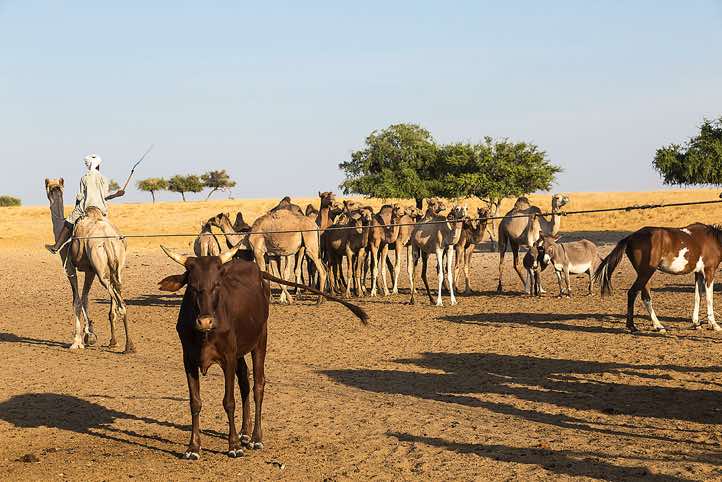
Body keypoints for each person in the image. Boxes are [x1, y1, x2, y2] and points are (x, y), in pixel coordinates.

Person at [46, 154, 126, 254]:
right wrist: (117, 194)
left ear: (89, 165)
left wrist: (76, 207)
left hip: (85, 207)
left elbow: (80, 196)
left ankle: (56, 247)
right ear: (98, 165)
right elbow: (106, 196)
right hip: (101, 209)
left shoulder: (84, 178)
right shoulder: (104, 179)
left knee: (69, 221)